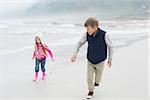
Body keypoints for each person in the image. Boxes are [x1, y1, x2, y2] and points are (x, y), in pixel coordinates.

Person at [71, 17, 114, 99]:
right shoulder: (86, 34)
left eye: (88, 29)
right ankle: (90, 91)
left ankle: (97, 83)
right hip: (90, 59)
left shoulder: (104, 34)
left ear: (95, 27)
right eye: (86, 29)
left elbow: (110, 46)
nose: (87, 31)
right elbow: (79, 43)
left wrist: (110, 58)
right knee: (89, 77)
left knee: (98, 77)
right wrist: (74, 54)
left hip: (101, 60)